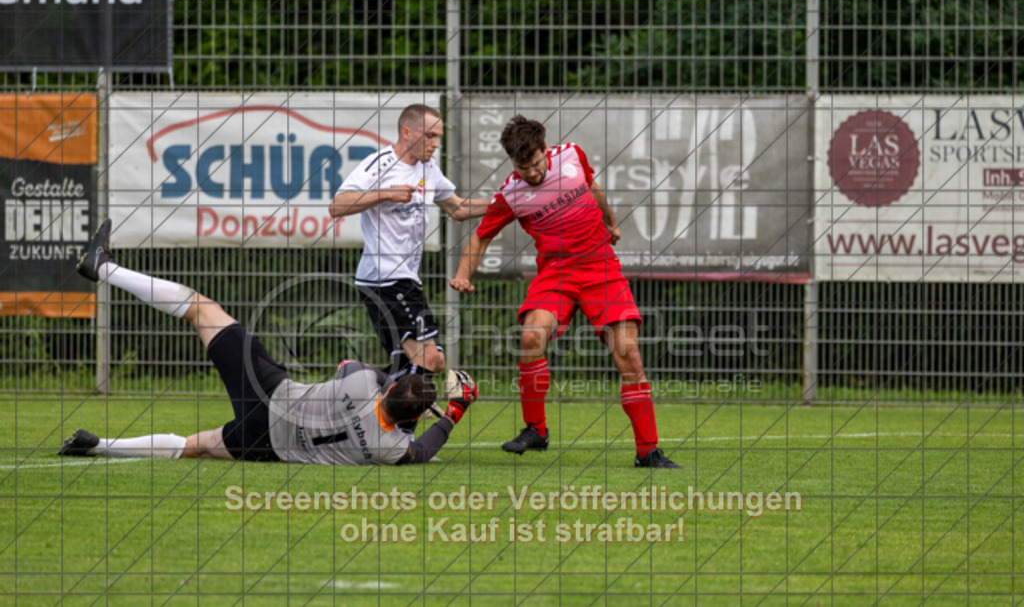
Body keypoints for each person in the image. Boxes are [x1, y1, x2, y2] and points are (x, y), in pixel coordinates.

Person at [58, 218, 478, 466]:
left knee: (201, 309)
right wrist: (454, 411)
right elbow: (421, 451)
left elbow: (350, 367)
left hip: (271, 392)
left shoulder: (365, 384)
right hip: (269, 445)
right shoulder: (390, 448)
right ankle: (102, 447)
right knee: (197, 446)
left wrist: (415, 391)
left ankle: (105, 268)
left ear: (389, 389)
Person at [449, 115, 679, 469]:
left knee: (629, 354)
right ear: (514, 162)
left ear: (546, 149)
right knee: (530, 337)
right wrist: (463, 274)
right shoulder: (511, 192)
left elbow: (593, 186)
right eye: (524, 167)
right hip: (556, 274)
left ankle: (648, 452)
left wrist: (611, 222)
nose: (533, 173)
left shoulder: (572, 155)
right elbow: (481, 235)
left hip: (600, 267)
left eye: (537, 163)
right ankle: (535, 430)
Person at [328, 103, 489, 382]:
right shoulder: (380, 165)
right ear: (406, 132)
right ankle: (388, 400)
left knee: (408, 365)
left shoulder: (429, 168)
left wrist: (506, 203)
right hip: (386, 278)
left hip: (400, 278)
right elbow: (336, 206)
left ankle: (355, 377)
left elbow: (458, 209)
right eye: (429, 136)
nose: (435, 143)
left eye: (439, 136)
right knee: (432, 359)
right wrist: (384, 194)